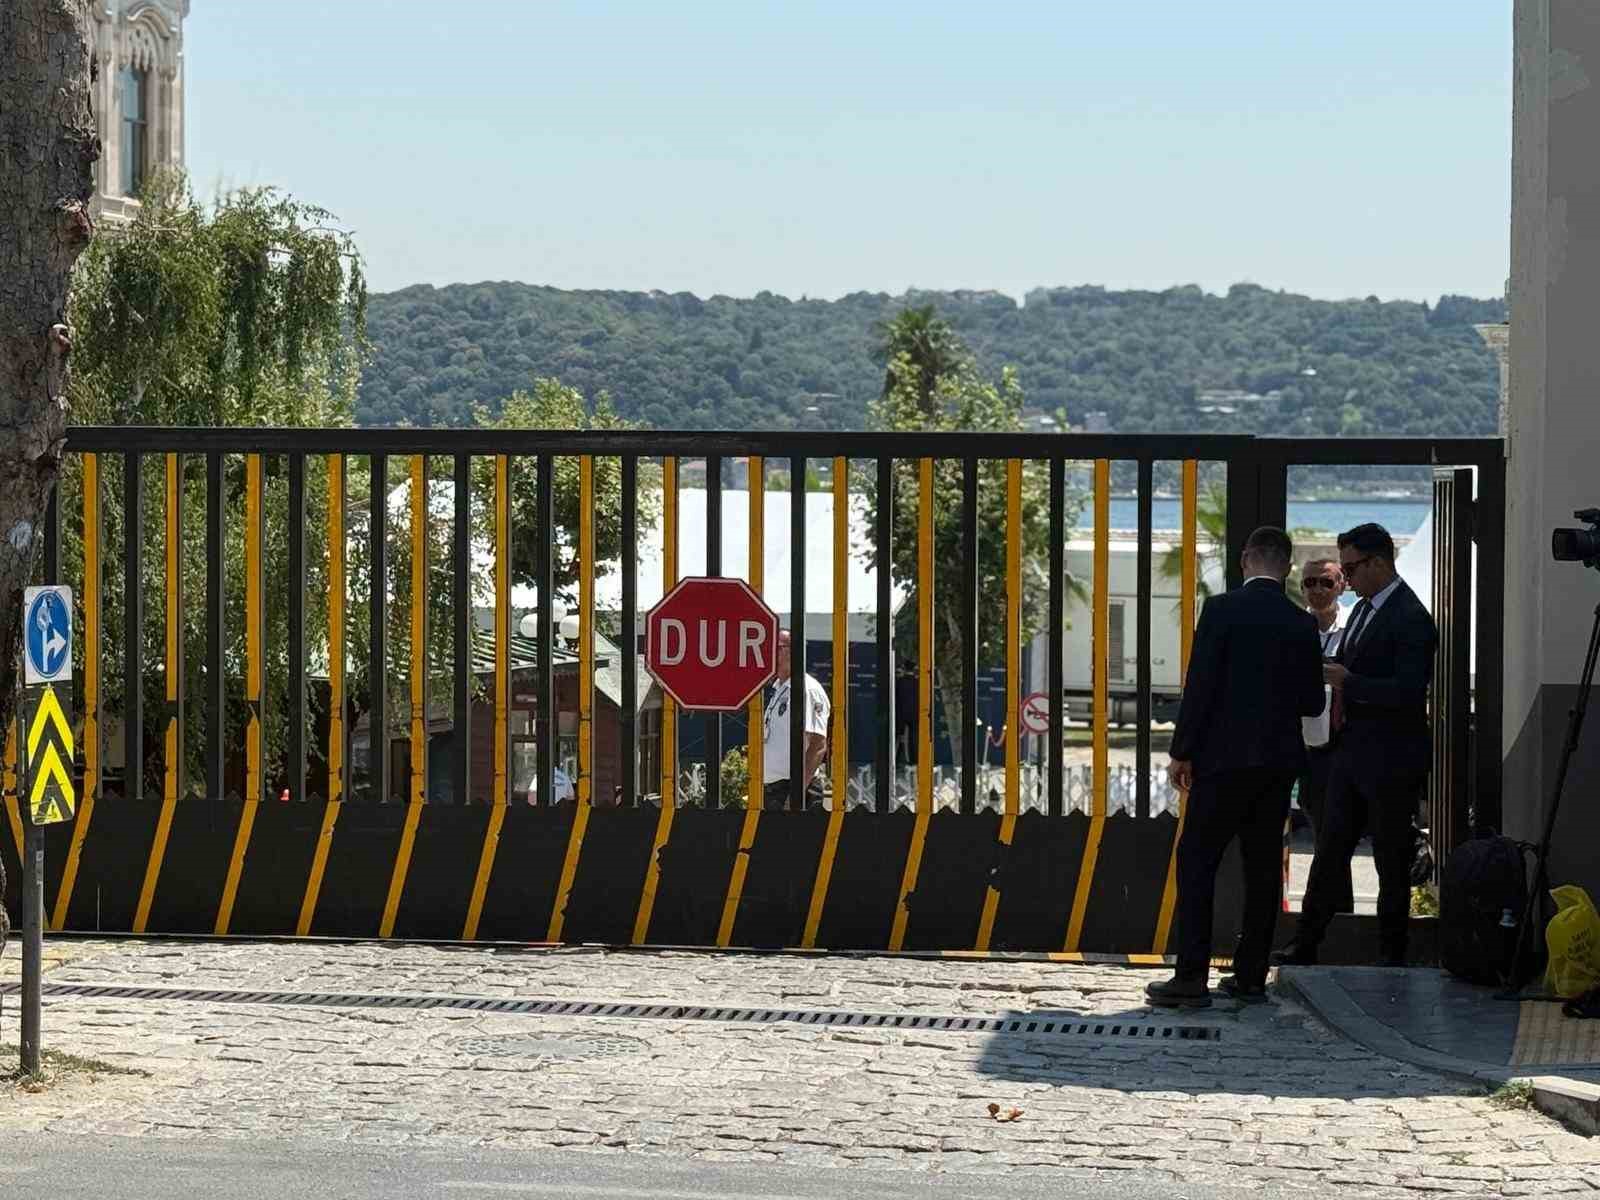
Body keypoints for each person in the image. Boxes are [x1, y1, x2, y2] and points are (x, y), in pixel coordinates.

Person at [1146, 526, 1325, 1009]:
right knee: (1264, 869)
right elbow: (1311, 702)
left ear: (1246, 559)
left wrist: (1182, 750)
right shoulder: (1301, 624)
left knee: (1197, 861)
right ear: (1287, 566)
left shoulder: (1222, 610)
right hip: (1274, 768)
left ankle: (1190, 977)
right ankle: (1249, 976)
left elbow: (1199, 685)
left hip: (1222, 763)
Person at [1275, 522, 1436, 968]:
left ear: (1379, 563)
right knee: (1329, 854)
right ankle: (1306, 942)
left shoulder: (1410, 616)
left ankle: (1391, 951)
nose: (1345, 578)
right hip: (1349, 753)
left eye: (1350, 568)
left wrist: (1352, 682)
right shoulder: (1365, 609)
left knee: (1389, 858)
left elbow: (1408, 690)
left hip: (1390, 758)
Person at [1296, 557, 1355, 915]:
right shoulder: (1294, 627)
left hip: (1344, 745)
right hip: (1303, 745)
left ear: (1341, 585)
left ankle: (1338, 913)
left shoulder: (1353, 627)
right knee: (1320, 826)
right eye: (1309, 583)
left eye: (1326, 583)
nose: (1317, 590)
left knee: (1337, 835)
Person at [762, 630, 830, 811]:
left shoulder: (807, 689)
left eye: (777, 648)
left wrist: (795, 795)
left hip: (795, 792)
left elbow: (818, 745)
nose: (769, 653)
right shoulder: (779, 688)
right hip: (774, 790)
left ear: (794, 652)